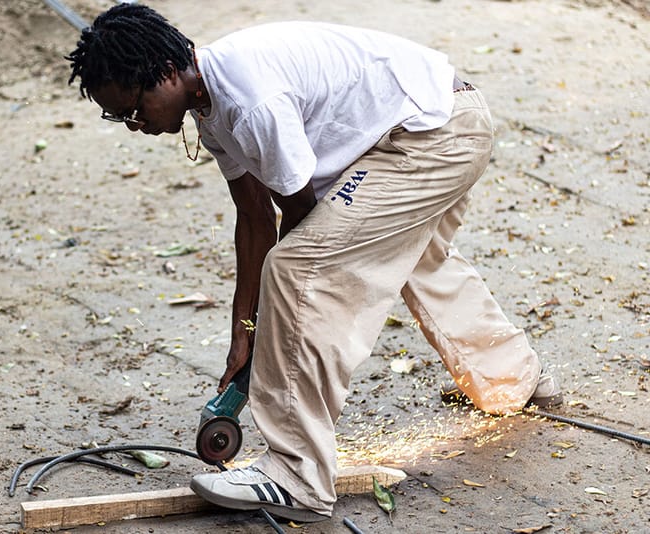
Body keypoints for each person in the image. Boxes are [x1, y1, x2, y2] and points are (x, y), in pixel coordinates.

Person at [66, 3, 562, 523]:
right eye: (120, 116)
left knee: (298, 270)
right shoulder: (211, 108)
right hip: (435, 119)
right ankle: (514, 380)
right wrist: (245, 330)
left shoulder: (247, 98)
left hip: (435, 135)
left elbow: (299, 220)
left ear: (165, 74)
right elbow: (255, 218)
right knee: (414, 256)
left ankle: (296, 473)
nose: (134, 124)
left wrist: (270, 330)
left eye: (133, 108)